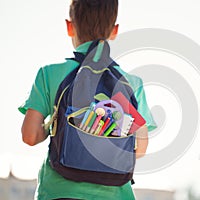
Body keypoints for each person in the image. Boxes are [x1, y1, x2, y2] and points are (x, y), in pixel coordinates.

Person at [18, 0, 156, 199]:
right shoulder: (132, 83)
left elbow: (30, 136)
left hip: (58, 192)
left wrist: (54, 124)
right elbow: (140, 149)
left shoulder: (49, 74)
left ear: (69, 26)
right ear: (114, 31)